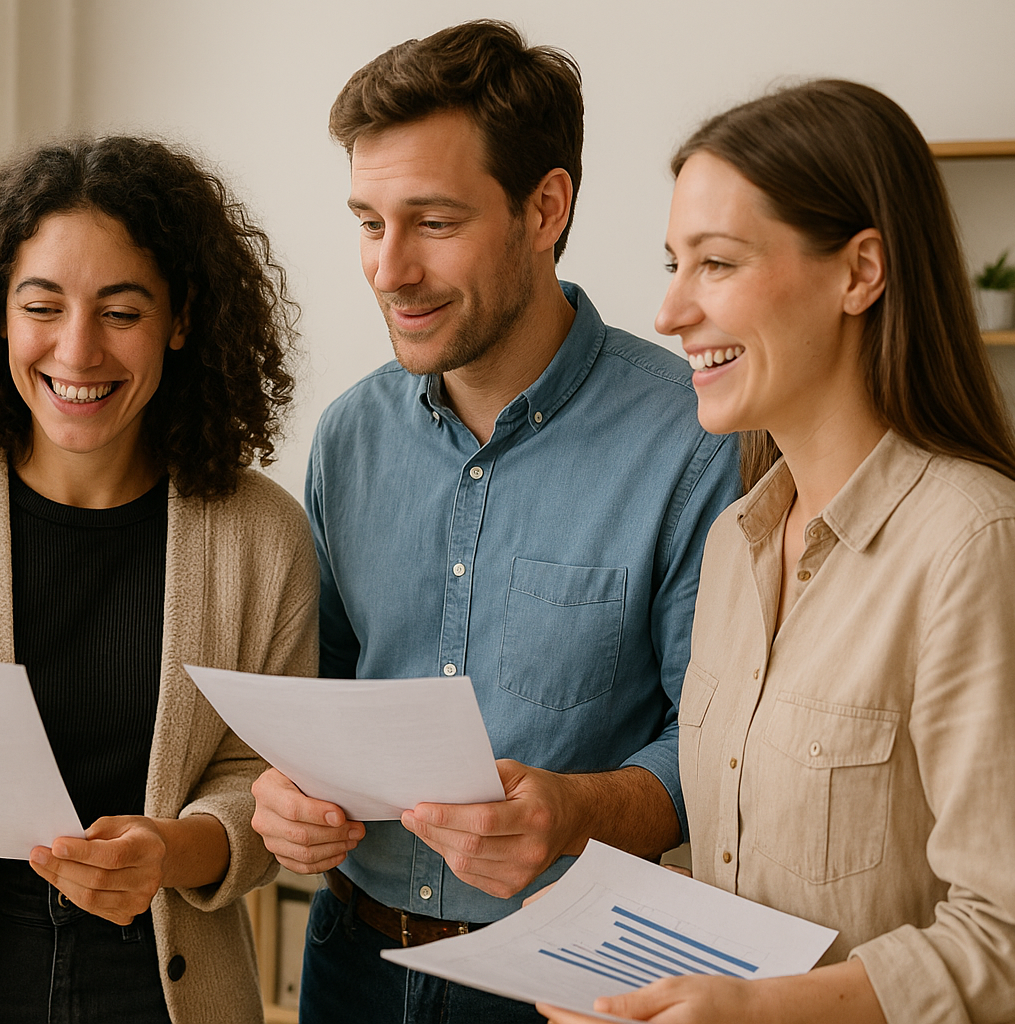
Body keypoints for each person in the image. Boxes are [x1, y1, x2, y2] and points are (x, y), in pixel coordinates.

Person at [247, 20, 742, 1024]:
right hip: (350, 957)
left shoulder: (696, 435)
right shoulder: (348, 434)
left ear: (544, 208)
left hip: (573, 973)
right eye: (368, 220)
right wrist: (285, 794)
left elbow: (721, 743)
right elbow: (325, 689)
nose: (389, 268)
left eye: (432, 222)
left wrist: (576, 811)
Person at [539, 79, 1015, 1024]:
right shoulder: (736, 540)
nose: (671, 310)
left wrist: (758, 1011)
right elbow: (745, 858)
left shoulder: (977, 546)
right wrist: (612, 973)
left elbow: (1008, 940)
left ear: (860, 273)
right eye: (674, 263)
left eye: (716, 264)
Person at [0, 136, 316, 1024]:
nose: (78, 352)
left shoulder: (261, 534)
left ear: (181, 319)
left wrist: (171, 850)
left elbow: (266, 782)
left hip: (166, 987)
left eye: (121, 312)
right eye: (43, 306)